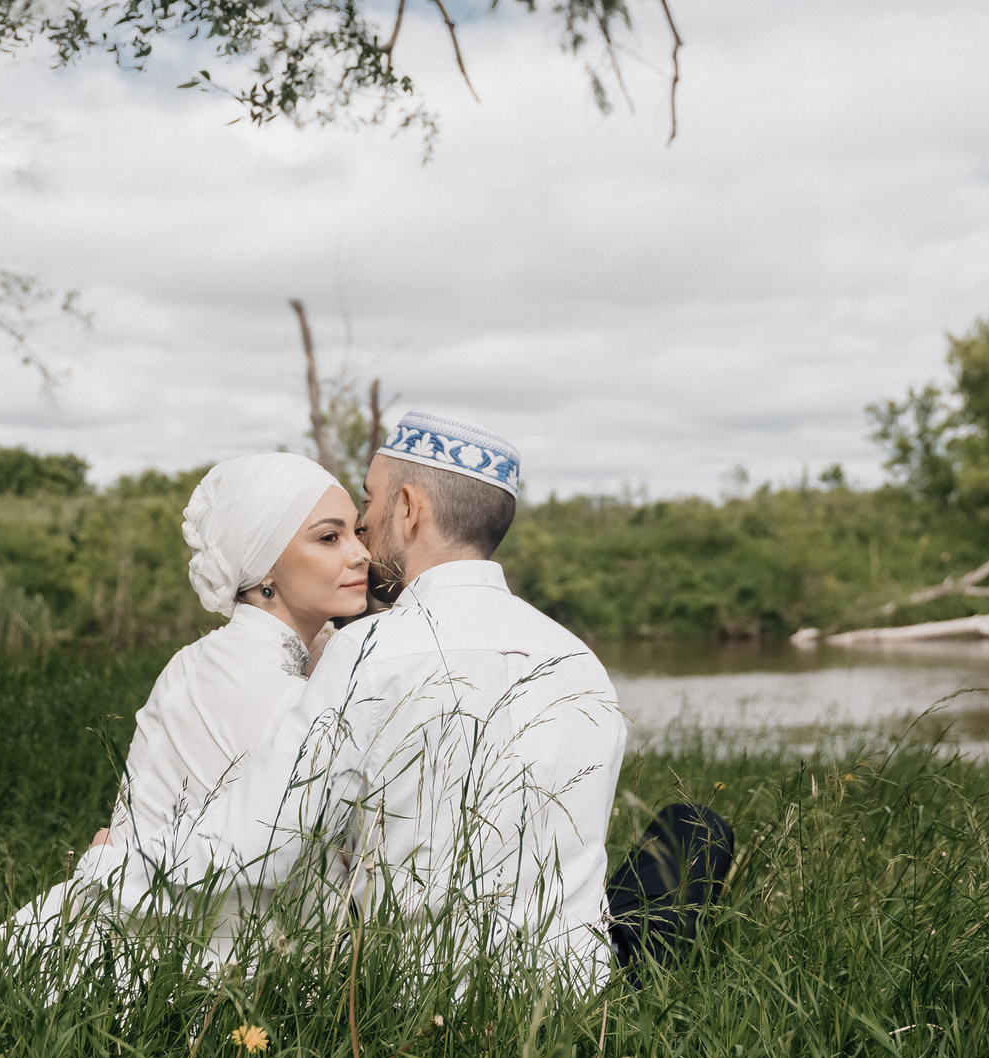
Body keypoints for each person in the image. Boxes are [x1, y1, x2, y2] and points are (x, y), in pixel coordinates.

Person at [70, 410, 636, 988]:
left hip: (428, 1006)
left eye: (369, 501)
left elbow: (261, 837)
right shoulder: (580, 662)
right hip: (574, 999)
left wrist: (112, 866)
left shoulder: (375, 650)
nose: (364, 529)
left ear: (410, 508)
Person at [0, 453, 371, 968]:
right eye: (330, 538)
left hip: (156, 921)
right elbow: (291, 858)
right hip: (208, 961)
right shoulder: (268, 688)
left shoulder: (207, 657)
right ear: (263, 570)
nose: (360, 554)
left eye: (357, 532)